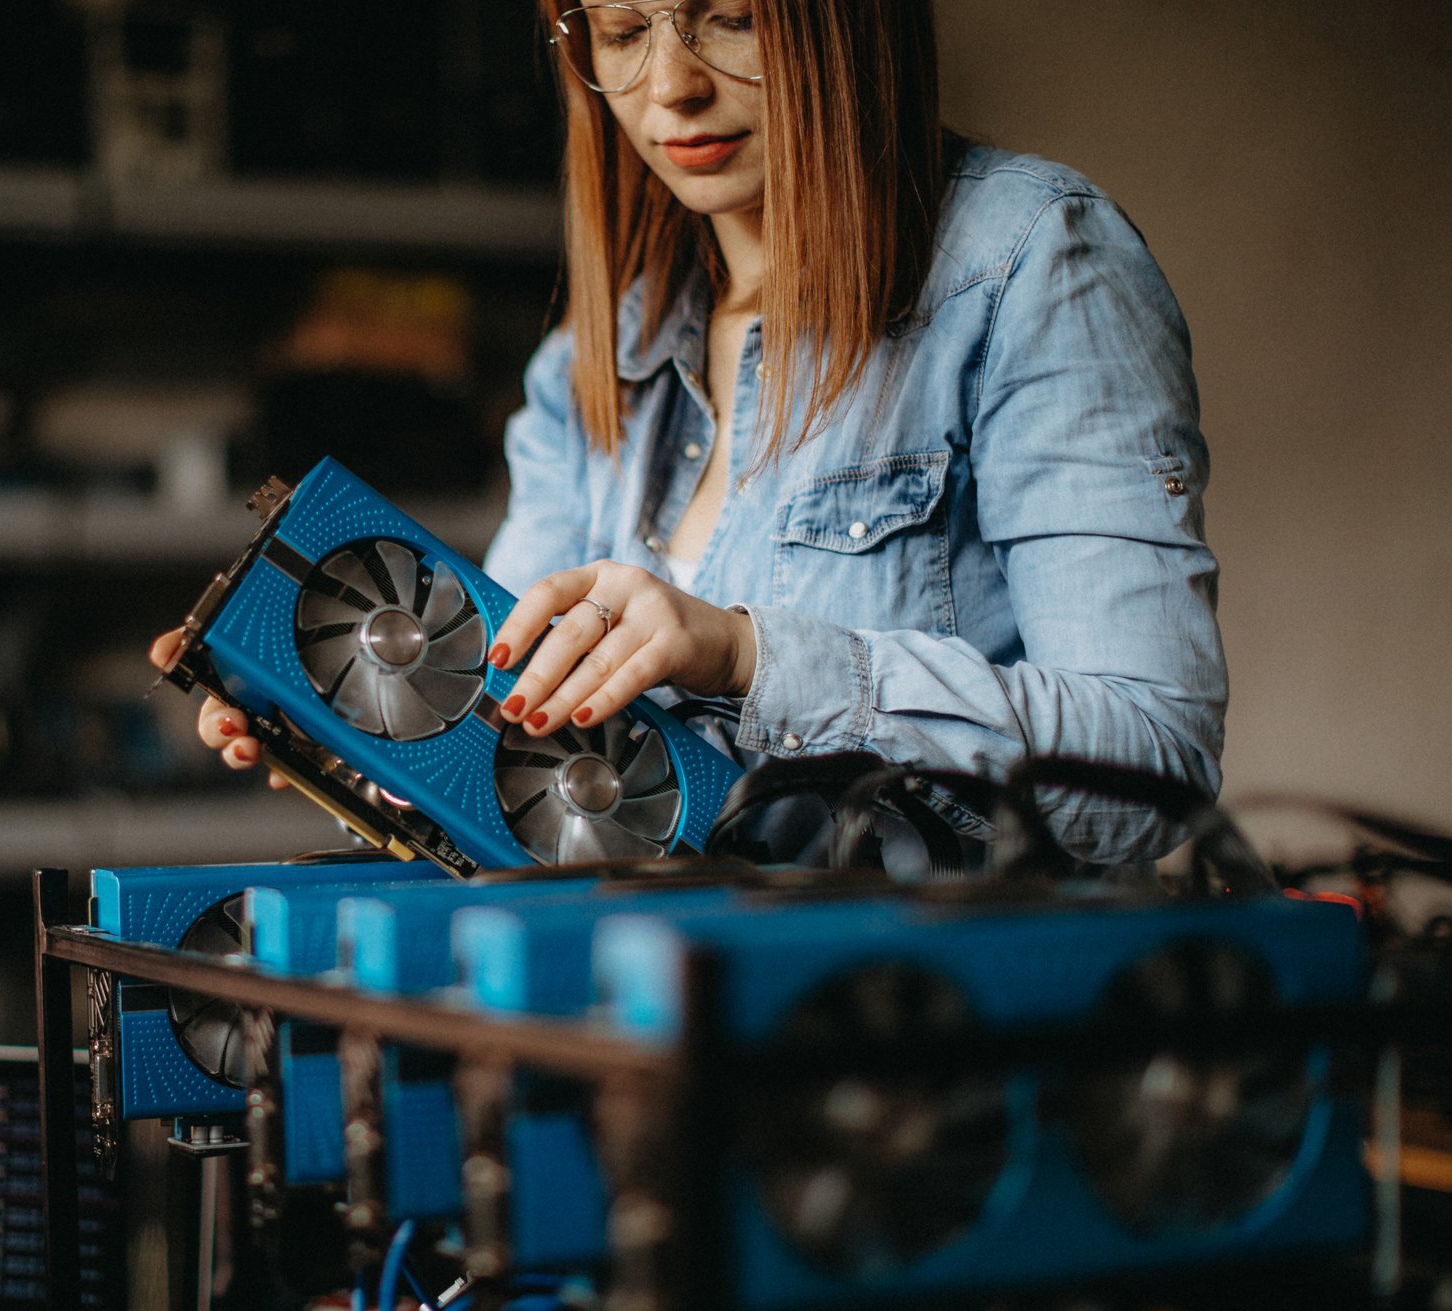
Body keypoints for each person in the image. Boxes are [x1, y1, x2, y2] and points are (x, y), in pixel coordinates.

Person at [156, 0, 1223, 865]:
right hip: (650, 1048)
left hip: (917, 1066)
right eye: (622, 32)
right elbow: (509, 761)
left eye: (730, 19)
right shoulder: (593, 360)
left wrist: (746, 657)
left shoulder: (1029, 263)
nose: (671, 85)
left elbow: (1150, 770)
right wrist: (342, 723)